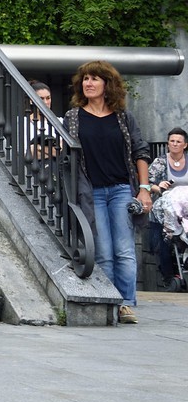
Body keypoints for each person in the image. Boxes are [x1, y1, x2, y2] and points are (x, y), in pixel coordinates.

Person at [63, 60, 151, 324]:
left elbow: (140, 151)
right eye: (85, 79)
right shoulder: (73, 117)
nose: (88, 83)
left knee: (124, 249)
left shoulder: (123, 117)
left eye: (95, 79)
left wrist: (144, 189)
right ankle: (110, 301)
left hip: (122, 189)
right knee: (102, 250)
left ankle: (125, 304)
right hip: (92, 191)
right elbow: (66, 154)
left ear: (107, 84)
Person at [144, 127, 188, 291]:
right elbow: (146, 183)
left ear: (185, 145)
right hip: (166, 210)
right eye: (172, 141)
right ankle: (168, 277)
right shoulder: (160, 162)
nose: (175, 144)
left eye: (178, 141)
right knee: (166, 240)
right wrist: (158, 187)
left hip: (186, 208)